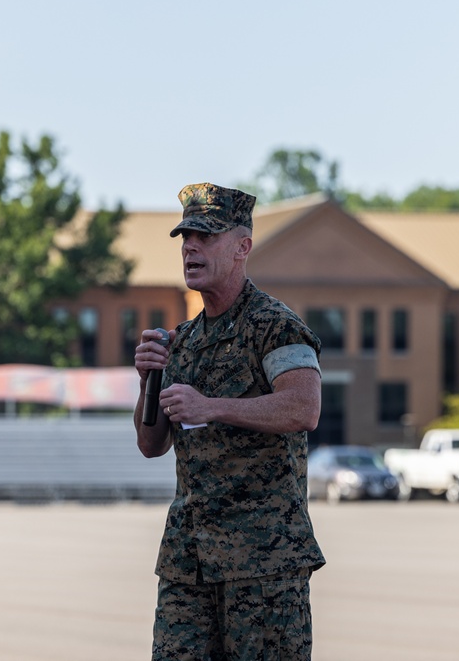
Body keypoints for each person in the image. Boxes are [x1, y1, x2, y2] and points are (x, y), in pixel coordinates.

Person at [134, 182, 325, 660]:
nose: (191, 247)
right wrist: (148, 380)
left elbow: (304, 408)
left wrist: (212, 406)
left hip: (261, 561)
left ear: (243, 247)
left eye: (206, 236)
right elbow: (151, 444)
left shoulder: (275, 326)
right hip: (188, 559)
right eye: (185, 238)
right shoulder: (184, 340)